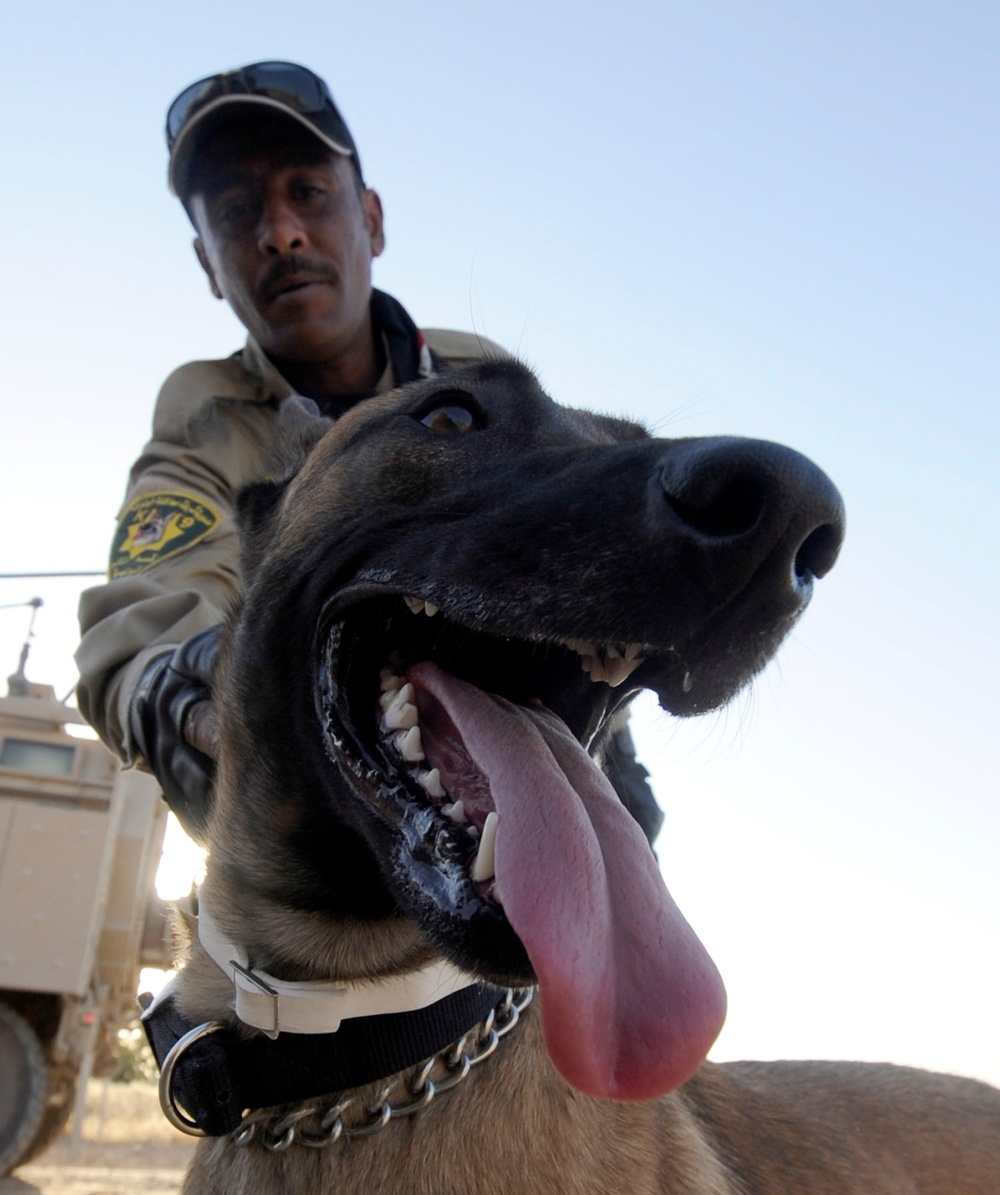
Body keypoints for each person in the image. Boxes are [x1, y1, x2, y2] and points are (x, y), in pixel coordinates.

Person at [75, 60, 662, 846]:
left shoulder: (480, 376)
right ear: (208, 265)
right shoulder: (207, 411)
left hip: (539, 735)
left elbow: (579, 534)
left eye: (308, 193)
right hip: (334, 790)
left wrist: (612, 761)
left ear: (374, 220)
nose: (279, 232)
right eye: (237, 211)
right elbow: (147, 614)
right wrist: (204, 705)